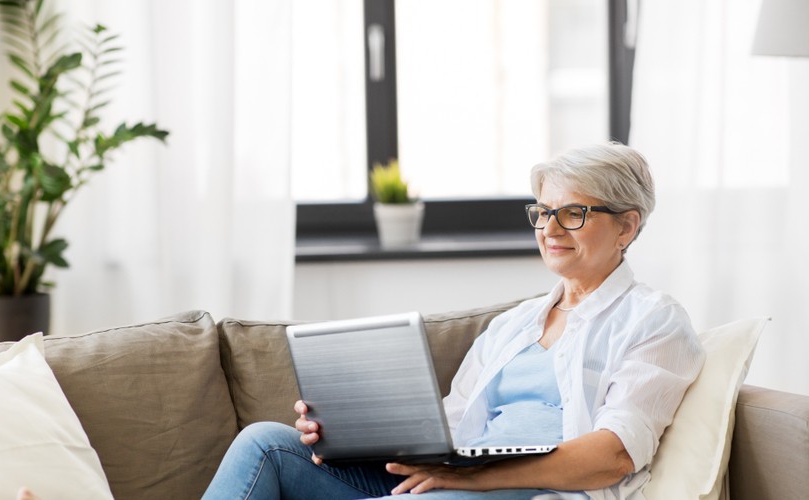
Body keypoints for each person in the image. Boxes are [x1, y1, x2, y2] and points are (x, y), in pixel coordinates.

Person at [203, 142, 705, 499]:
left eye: (572, 213)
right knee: (265, 443)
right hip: (457, 477)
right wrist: (345, 436)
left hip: (533, 488)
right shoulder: (513, 325)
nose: (550, 229)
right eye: (542, 212)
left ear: (627, 225)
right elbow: (449, 427)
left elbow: (615, 454)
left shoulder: (654, 321)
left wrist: (473, 479)